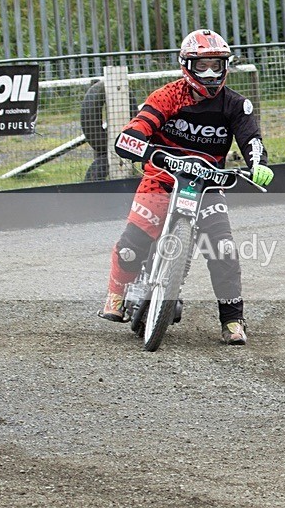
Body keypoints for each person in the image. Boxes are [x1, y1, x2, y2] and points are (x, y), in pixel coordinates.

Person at [99, 29, 274, 345]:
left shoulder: (236, 104)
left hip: (207, 185)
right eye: (202, 66)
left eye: (216, 66)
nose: (209, 73)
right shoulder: (166, 96)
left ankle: (233, 319)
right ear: (186, 66)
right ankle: (116, 293)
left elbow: (253, 141)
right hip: (162, 178)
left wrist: (258, 165)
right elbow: (128, 136)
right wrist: (149, 150)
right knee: (130, 245)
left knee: (223, 251)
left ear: (225, 67)